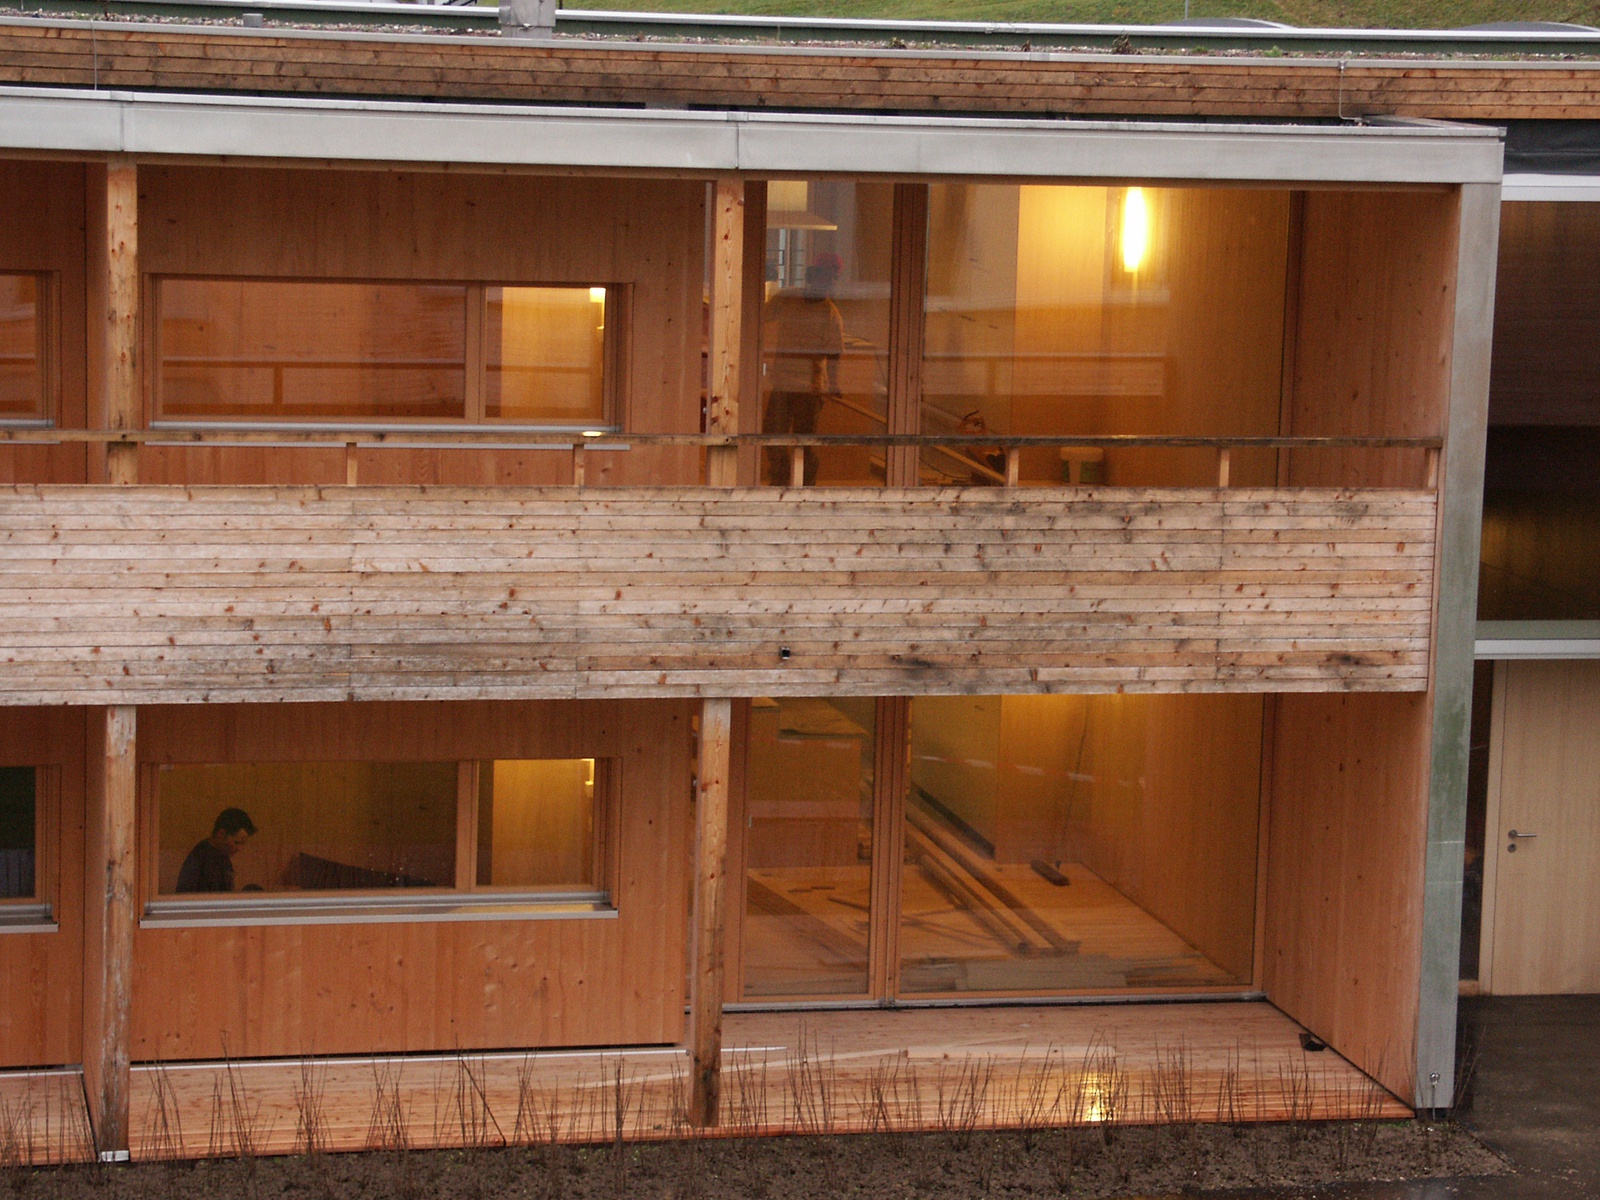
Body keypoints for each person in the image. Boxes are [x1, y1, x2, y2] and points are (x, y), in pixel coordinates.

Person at [763, 251, 845, 486]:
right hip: (782, 382)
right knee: (772, 434)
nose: (828, 282)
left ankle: (806, 489)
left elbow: (834, 353)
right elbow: (760, 316)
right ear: (813, 274)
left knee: (805, 441)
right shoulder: (787, 299)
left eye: (832, 278)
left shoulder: (830, 313)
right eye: (825, 276)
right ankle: (780, 480)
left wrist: (833, 385)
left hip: (809, 388)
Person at [175, 807, 257, 893]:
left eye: (243, 844)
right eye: (236, 842)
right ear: (221, 834)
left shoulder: (219, 856)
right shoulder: (202, 860)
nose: (240, 848)